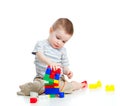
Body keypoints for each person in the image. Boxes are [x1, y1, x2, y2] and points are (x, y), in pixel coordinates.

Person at [17, 18, 87, 96]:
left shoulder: (63, 51)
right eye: (57, 37)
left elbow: (64, 67)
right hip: (41, 79)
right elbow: (39, 55)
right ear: (51, 30)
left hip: (57, 80)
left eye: (64, 41)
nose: (59, 42)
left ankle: (78, 85)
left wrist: (67, 71)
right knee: (38, 86)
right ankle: (27, 89)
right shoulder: (41, 44)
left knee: (66, 86)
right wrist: (49, 62)